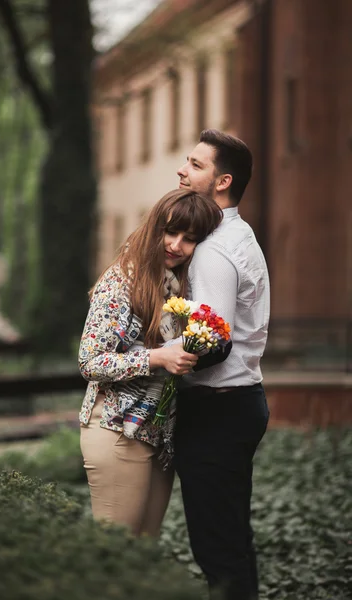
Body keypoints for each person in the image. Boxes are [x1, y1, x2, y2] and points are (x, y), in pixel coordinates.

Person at [78, 188, 223, 538]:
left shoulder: (176, 288)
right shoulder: (122, 280)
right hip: (116, 429)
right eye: (169, 232)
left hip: (158, 434)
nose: (175, 244)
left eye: (189, 239)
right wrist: (160, 357)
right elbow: (90, 361)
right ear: (153, 228)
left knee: (143, 553)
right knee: (117, 557)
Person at [174, 130, 270, 600]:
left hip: (218, 409)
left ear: (221, 181)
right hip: (239, 403)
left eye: (194, 164)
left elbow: (213, 340)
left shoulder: (213, 249)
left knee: (218, 551)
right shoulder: (238, 234)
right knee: (231, 542)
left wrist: (160, 359)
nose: (182, 170)